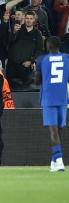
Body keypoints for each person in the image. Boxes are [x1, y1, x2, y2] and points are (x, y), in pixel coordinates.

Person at [35, 36, 69, 172]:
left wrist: (40, 73)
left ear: (48, 46)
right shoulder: (67, 58)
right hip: (62, 97)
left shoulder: (42, 60)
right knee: (59, 129)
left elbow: (37, 81)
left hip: (48, 98)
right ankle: (54, 161)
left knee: (53, 129)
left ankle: (59, 160)